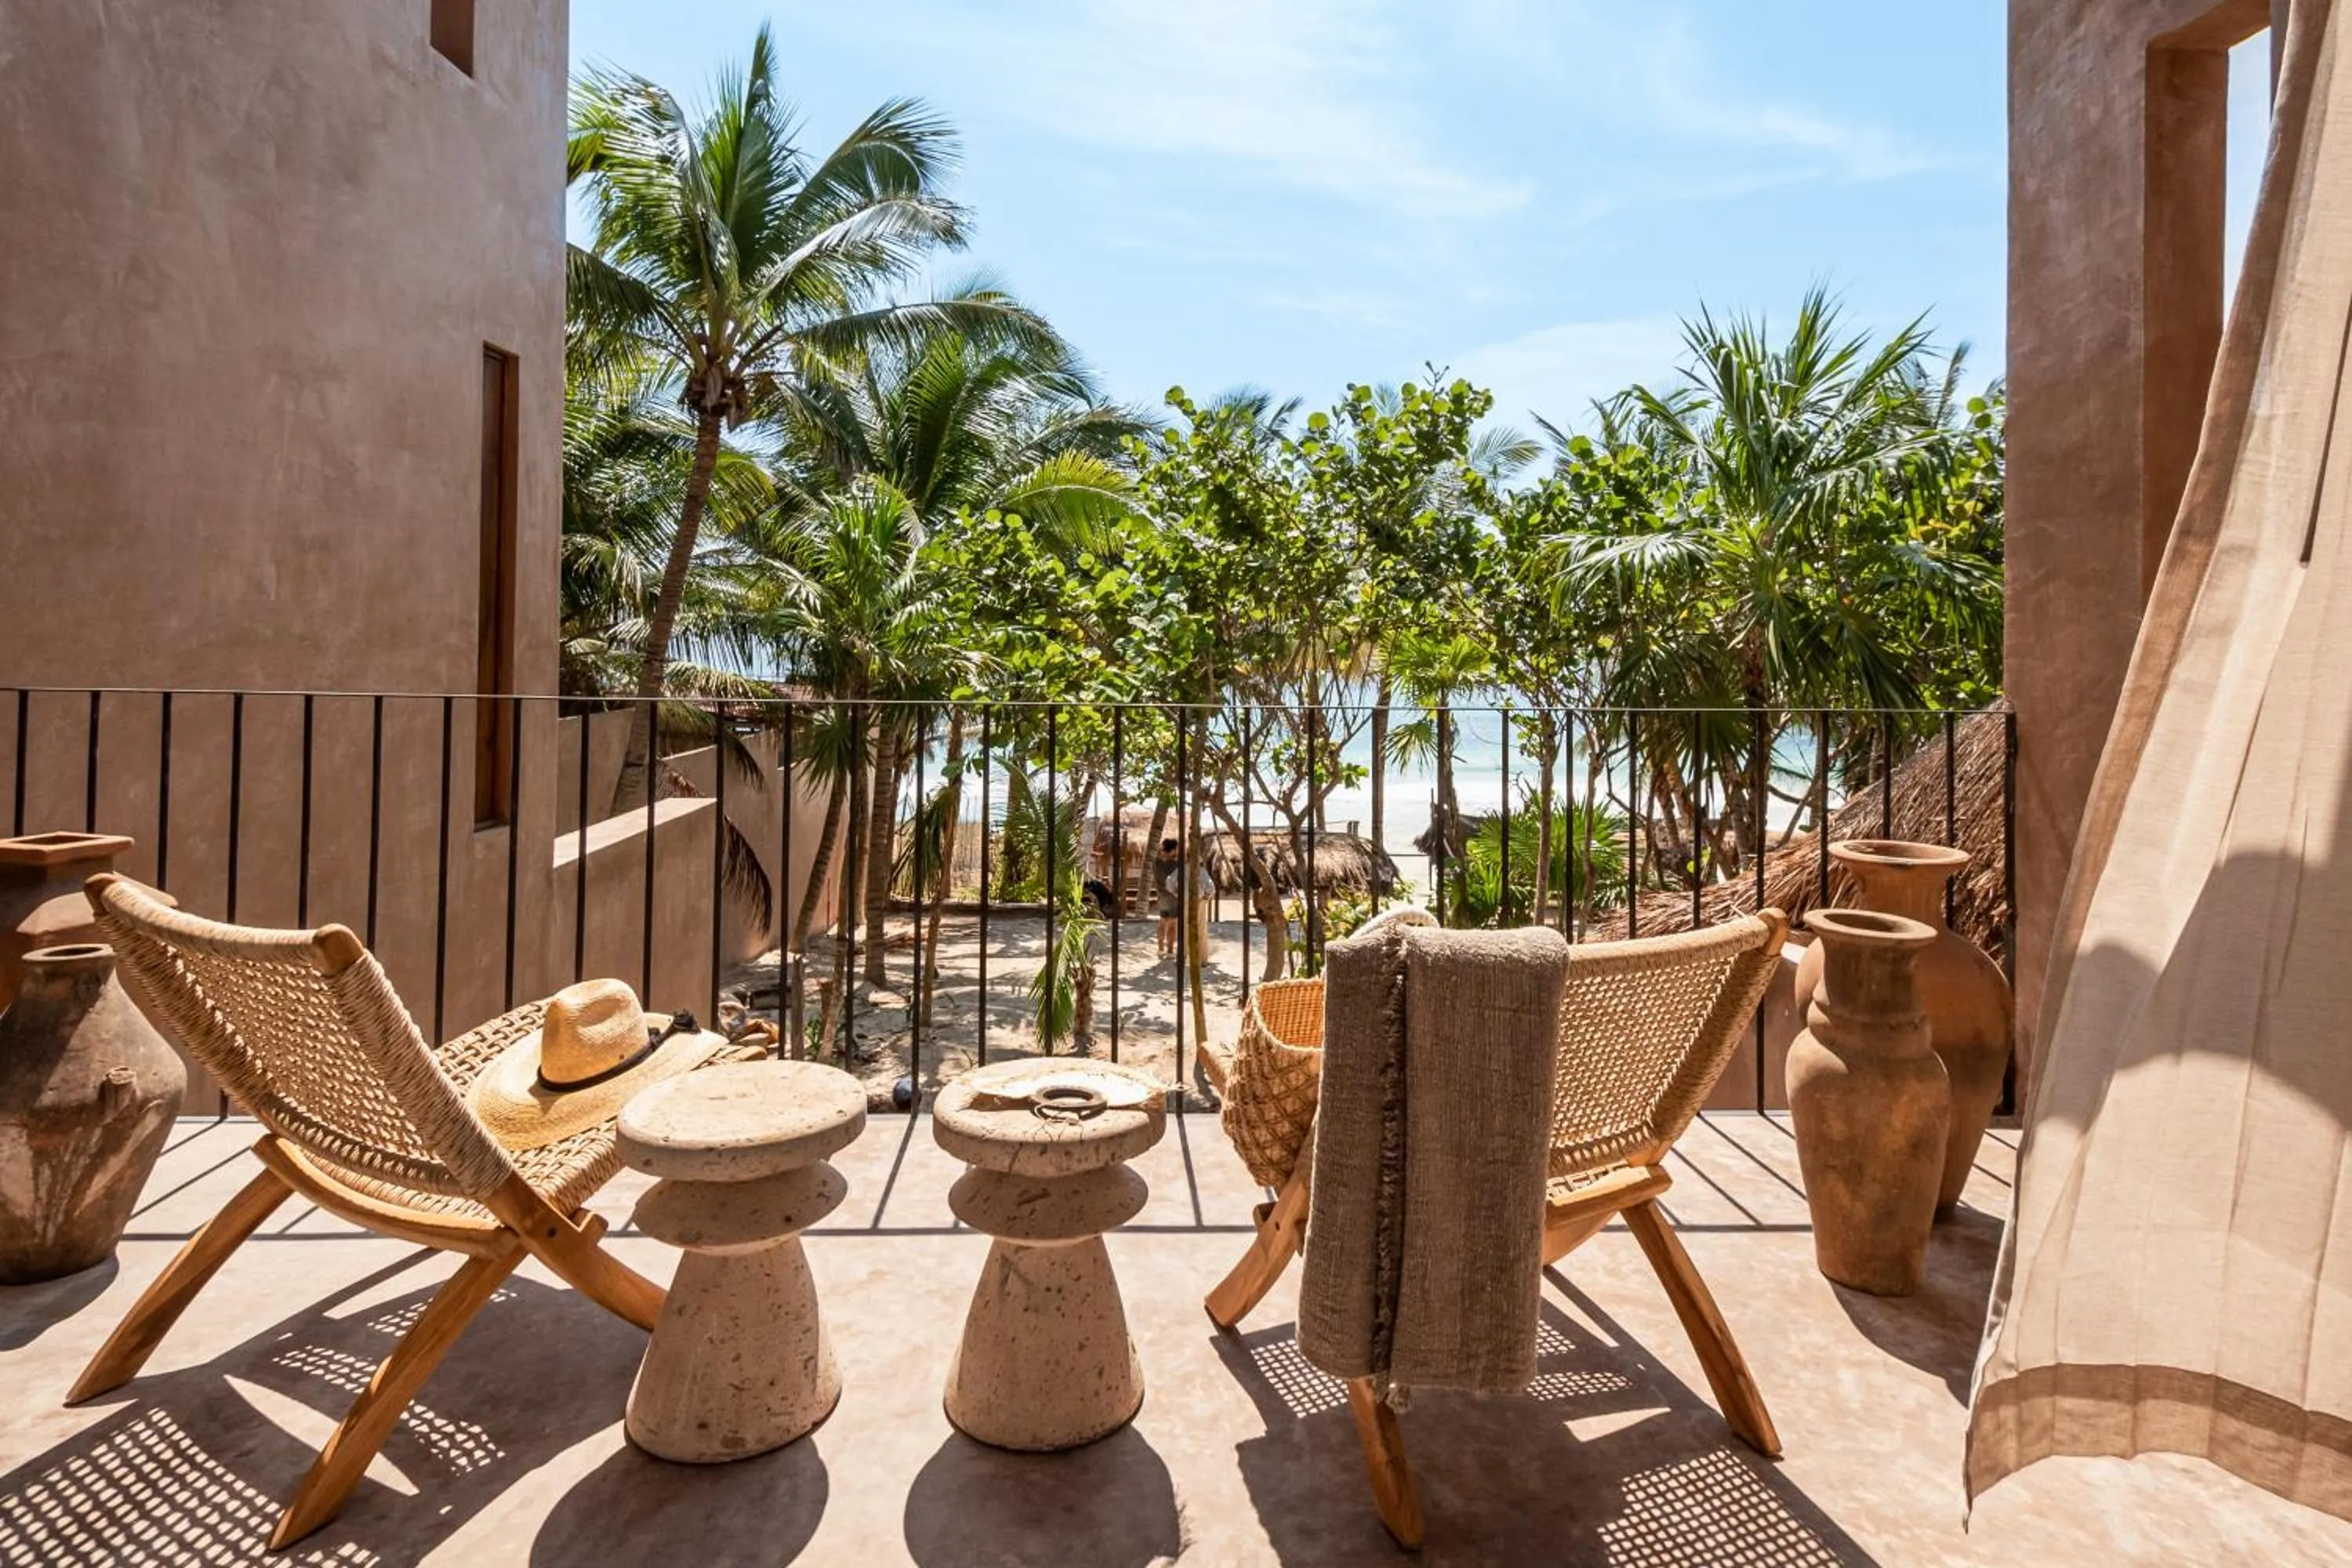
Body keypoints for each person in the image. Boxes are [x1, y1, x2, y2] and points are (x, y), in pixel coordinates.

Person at [1154, 836, 1184, 960]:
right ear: (1173, 850)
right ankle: (1170, 951)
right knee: (1172, 924)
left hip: (1161, 897)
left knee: (1162, 922)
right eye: (1176, 849)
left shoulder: (1156, 863)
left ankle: (1160, 949)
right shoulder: (1176, 865)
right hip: (1173, 898)